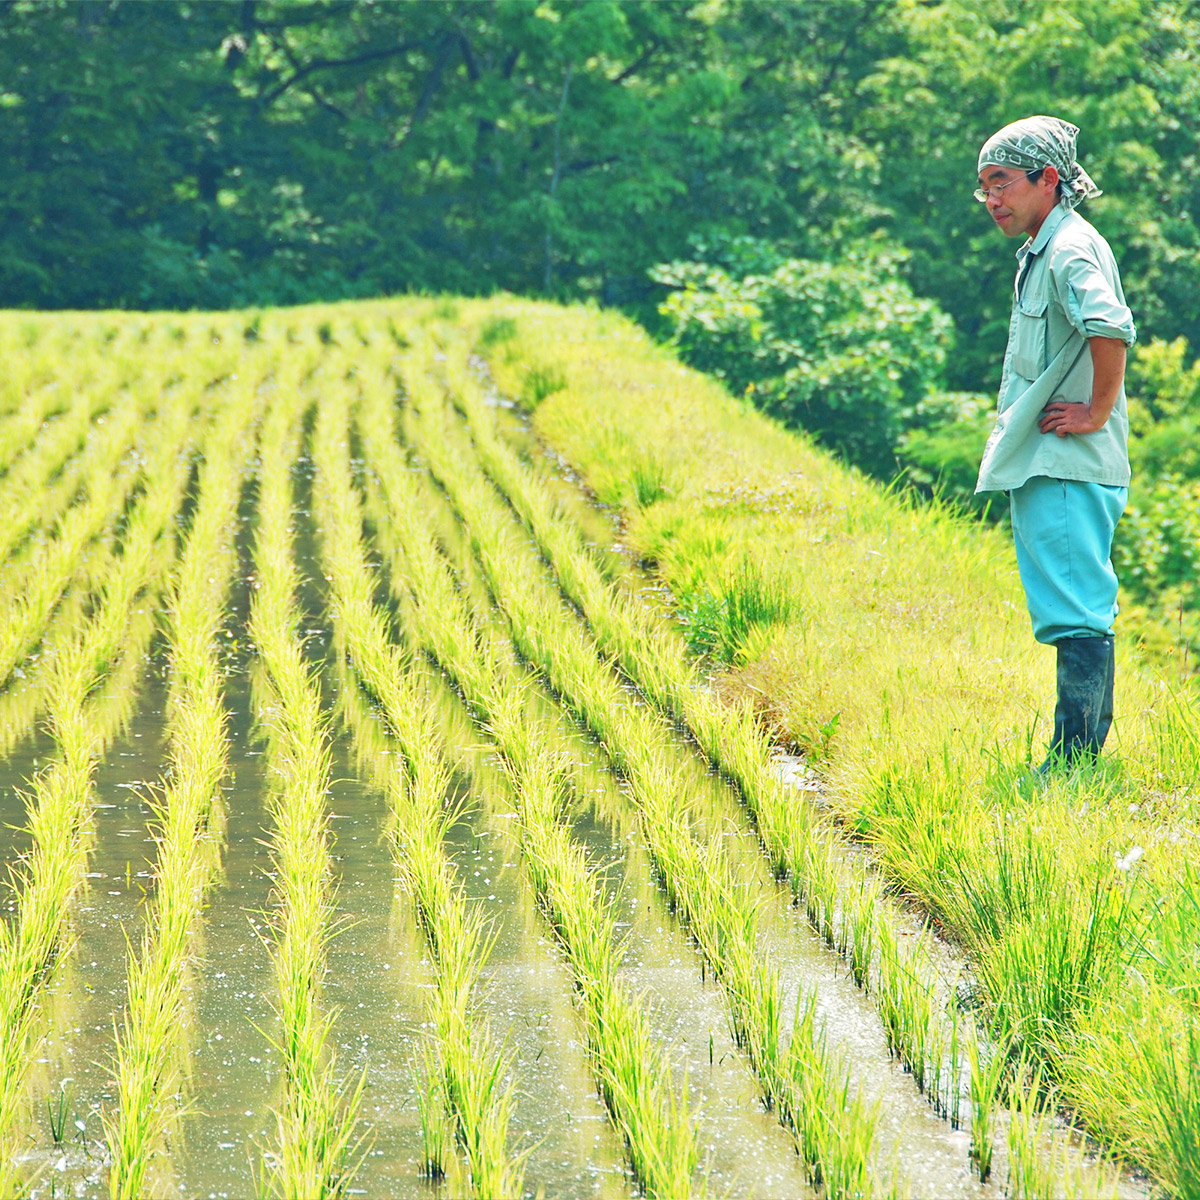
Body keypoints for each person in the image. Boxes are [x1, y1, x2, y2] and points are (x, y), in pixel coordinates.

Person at [973, 115, 1136, 772]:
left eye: (1003, 182)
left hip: (1069, 464)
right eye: (984, 186)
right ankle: (1079, 762)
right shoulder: (1049, 245)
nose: (992, 199)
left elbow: (1110, 324)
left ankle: (1071, 766)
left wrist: (1095, 412)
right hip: (1054, 463)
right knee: (1079, 611)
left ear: (1048, 179)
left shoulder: (1068, 249)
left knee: (1077, 616)